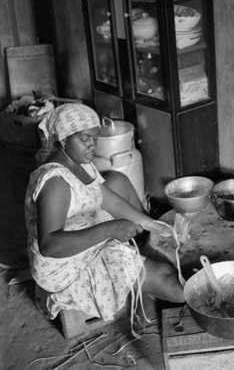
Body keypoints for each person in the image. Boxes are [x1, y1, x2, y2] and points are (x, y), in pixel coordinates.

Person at [25, 103, 184, 324]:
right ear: (63, 139)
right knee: (169, 281)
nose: (92, 145)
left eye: (94, 137)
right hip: (64, 266)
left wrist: (151, 224)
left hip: (79, 231)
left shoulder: (80, 162)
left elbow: (107, 199)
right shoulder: (55, 183)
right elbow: (50, 245)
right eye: (84, 139)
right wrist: (109, 229)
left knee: (117, 181)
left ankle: (142, 249)